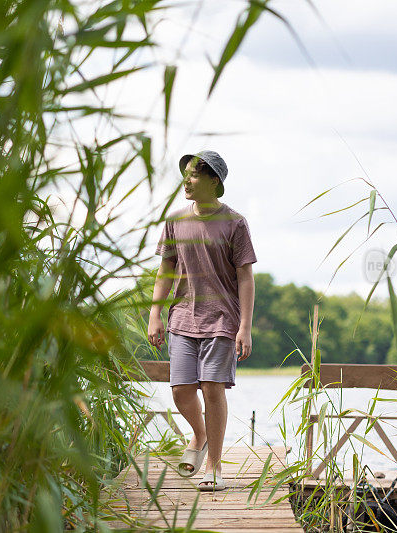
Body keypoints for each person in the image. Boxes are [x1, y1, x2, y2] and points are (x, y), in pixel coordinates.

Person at [148, 150, 257, 491]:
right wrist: (154, 313)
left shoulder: (235, 223)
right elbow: (165, 269)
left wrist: (245, 326)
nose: (187, 180)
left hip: (222, 319)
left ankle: (214, 467)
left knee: (212, 388)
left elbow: (245, 277)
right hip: (181, 317)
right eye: (186, 174)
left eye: (195, 174)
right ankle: (200, 435)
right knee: (181, 391)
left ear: (214, 181)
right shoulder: (175, 220)